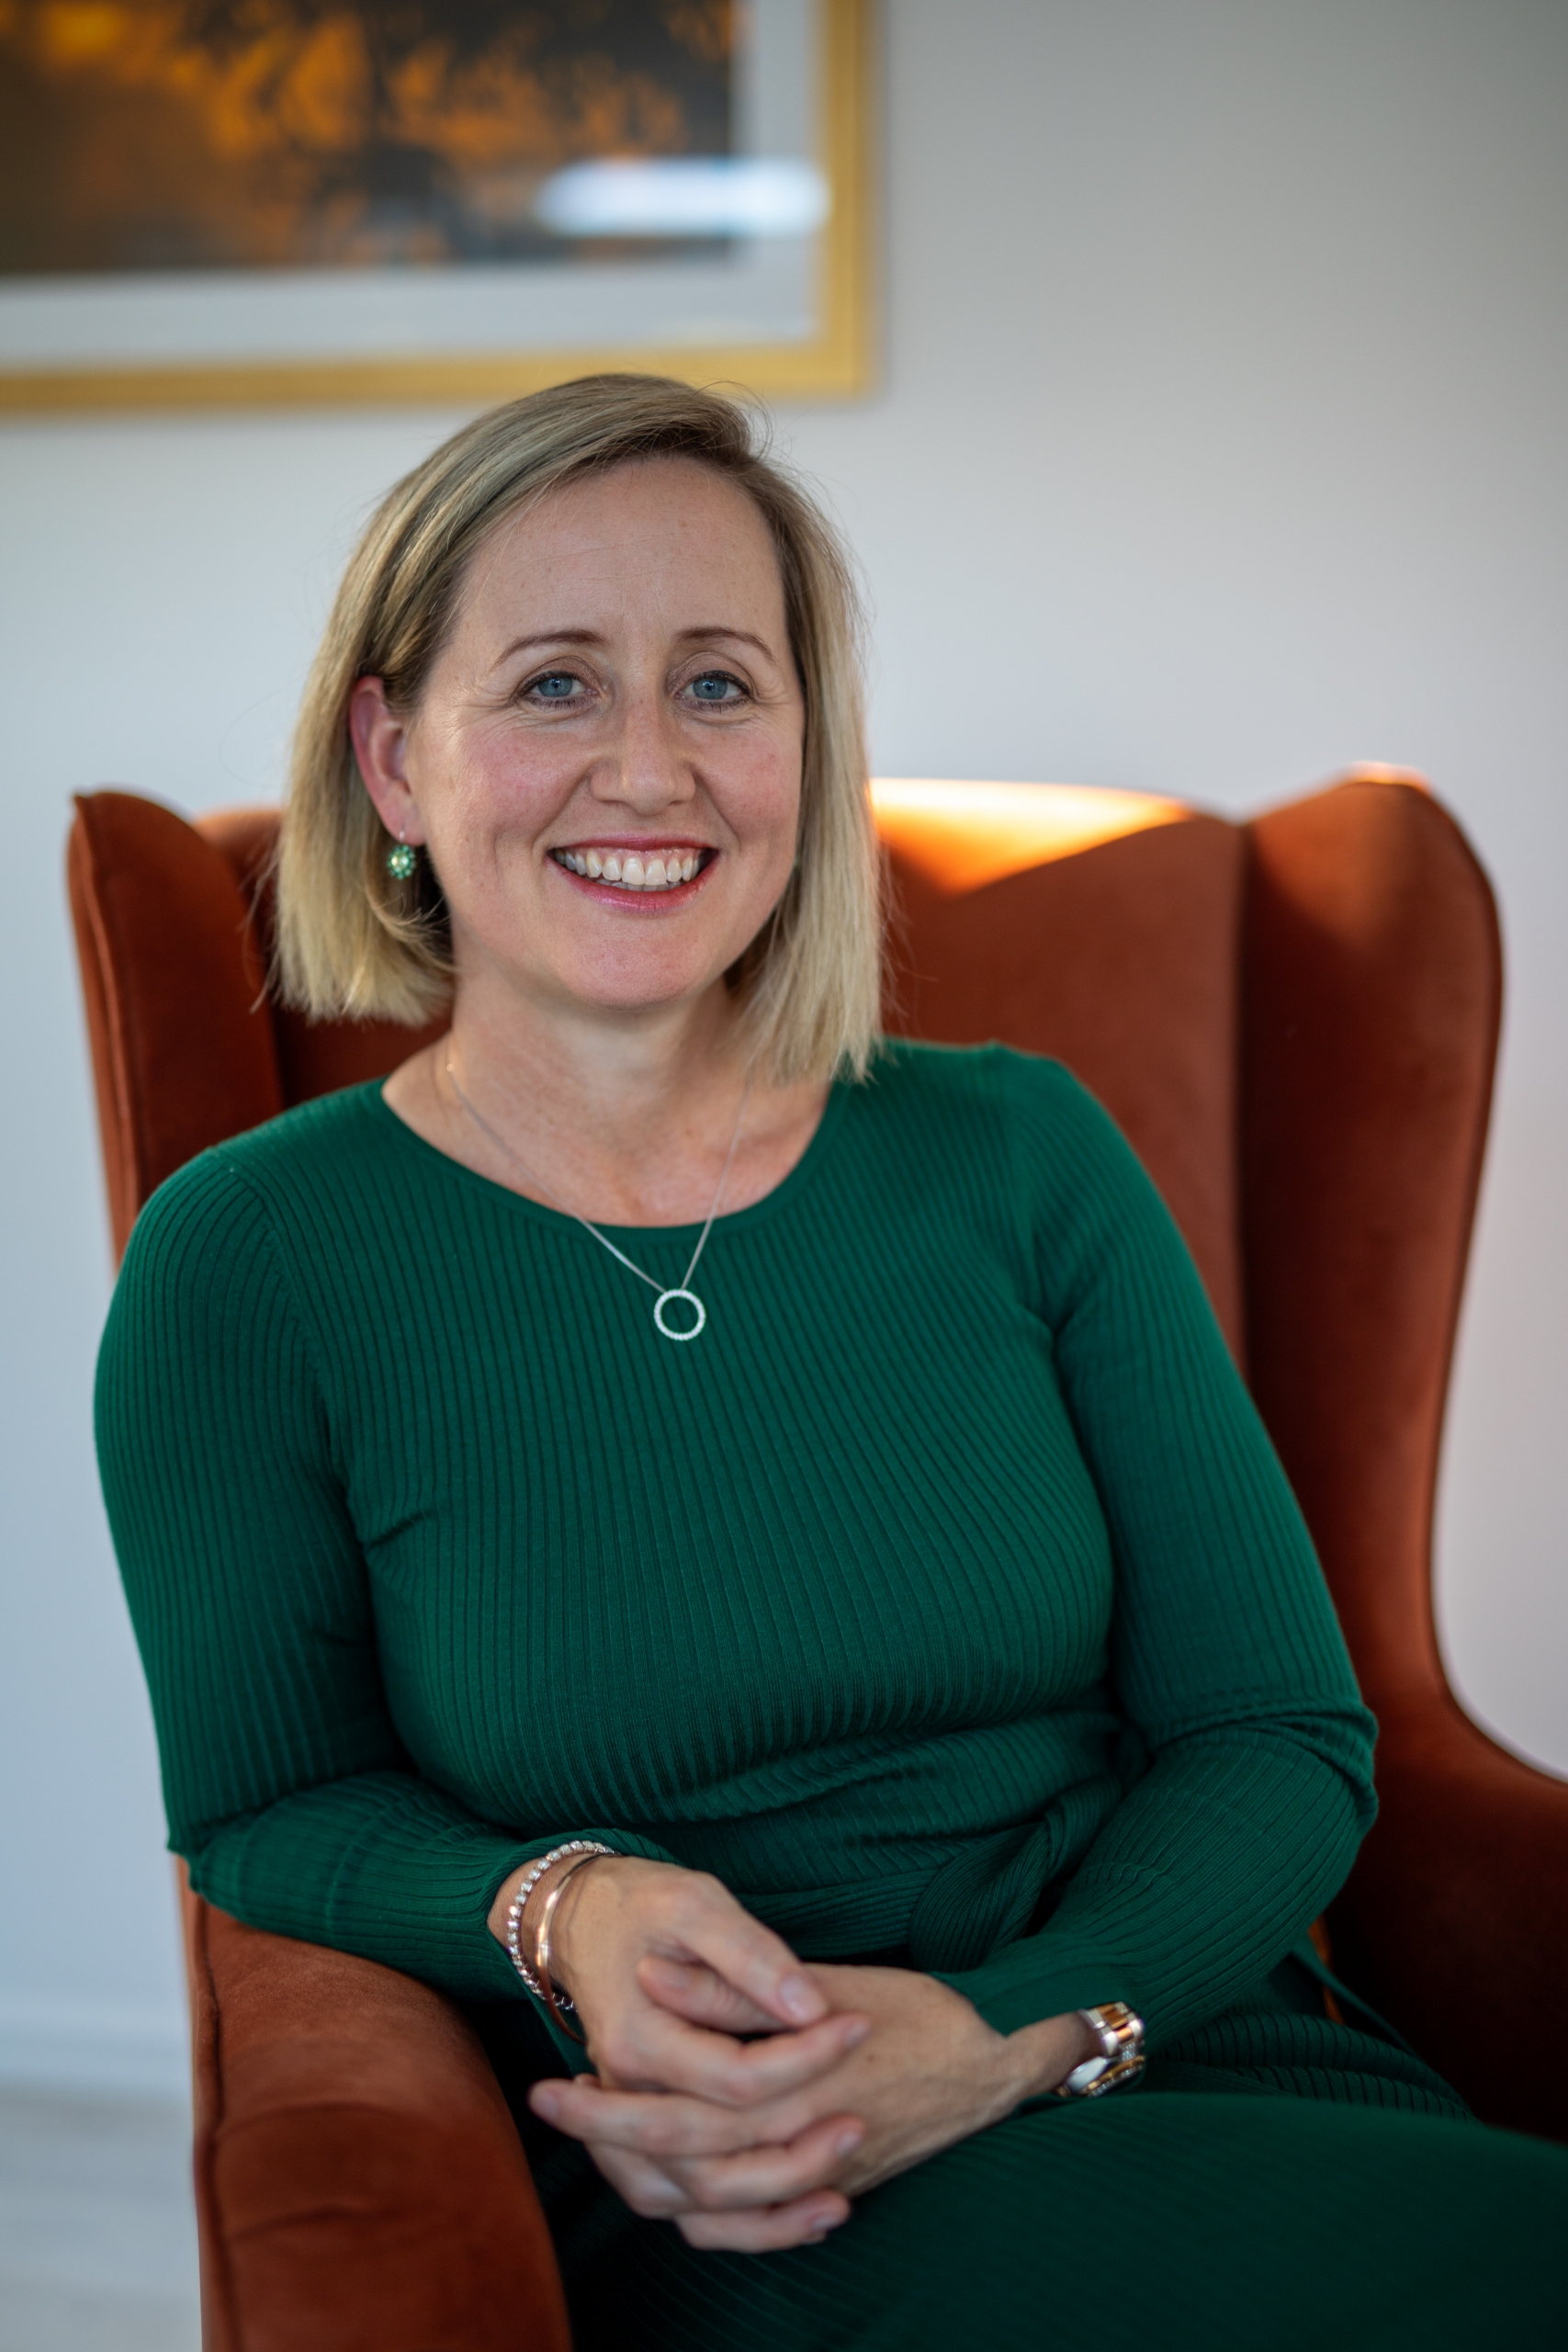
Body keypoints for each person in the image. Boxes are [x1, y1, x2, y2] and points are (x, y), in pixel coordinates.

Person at [97, 375, 1567, 2350]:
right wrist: (563, 1901)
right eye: (553, 684)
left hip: (1159, 2047)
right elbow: (271, 1803)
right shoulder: (251, 1257)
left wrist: (1008, 2034)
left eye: (718, 683)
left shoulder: (1020, 1151)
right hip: (735, 2170)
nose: (647, 768)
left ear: (806, 743)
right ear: (392, 758)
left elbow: (1276, 1730)